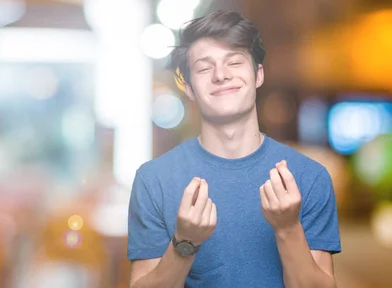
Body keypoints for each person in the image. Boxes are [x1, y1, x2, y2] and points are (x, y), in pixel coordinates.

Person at [127, 11, 341, 288]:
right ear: (189, 88)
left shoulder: (309, 177)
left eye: (235, 62)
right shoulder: (153, 179)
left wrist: (288, 228)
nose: (221, 75)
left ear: (258, 75)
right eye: (204, 68)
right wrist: (185, 242)